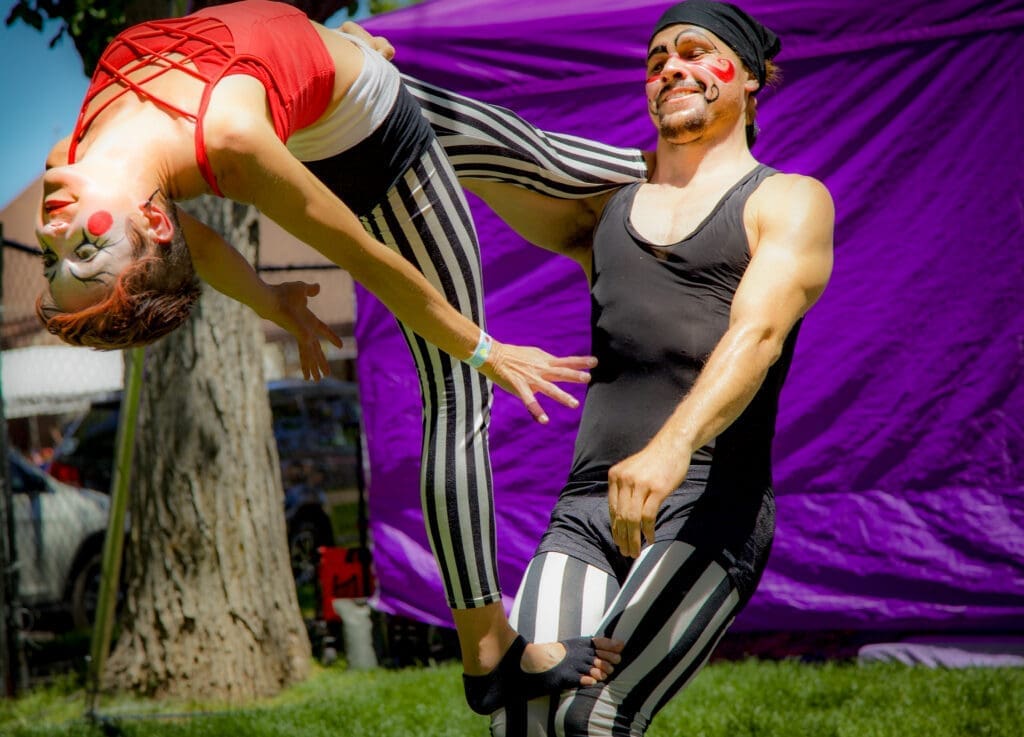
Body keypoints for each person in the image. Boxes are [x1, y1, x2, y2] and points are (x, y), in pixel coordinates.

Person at [33, 0, 650, 710]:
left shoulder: (72, 160)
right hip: (376, 151)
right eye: (86, 249)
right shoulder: (231, 139)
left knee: (555, 166)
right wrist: (484, 349)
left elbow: (186, 240)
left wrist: (329, 48)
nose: (56, 231)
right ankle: (491, 650)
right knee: (456, 390)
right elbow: (367, 257)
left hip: (359, 82)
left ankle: (692, 183)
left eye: (56, 256)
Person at [400, 1, 834, 733]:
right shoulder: (608, 209)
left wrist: (669, 449)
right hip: (585, 508)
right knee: (529, 712)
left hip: (706, 505)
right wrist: (384, 90)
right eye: (657, 59)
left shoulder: (787, 200)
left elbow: (757, 335)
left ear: (752, 78)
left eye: (697, 52)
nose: (672, 67)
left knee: (593, 717)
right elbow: (496, 159)